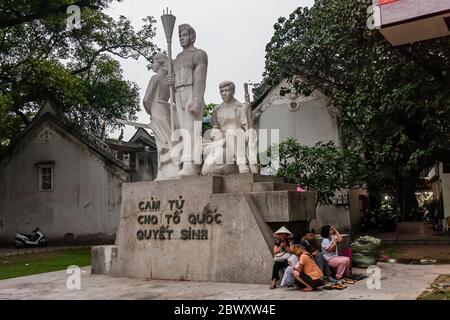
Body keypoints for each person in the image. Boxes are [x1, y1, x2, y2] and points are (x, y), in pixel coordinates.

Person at [165, 24, 208, 178]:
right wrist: (171, 80)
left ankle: (192, 165)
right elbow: (173, 80)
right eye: (180, 36)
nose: (182, 38)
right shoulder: (177, 59)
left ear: (192, 37)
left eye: (184, 35)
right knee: (184, 131)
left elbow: (200, 79)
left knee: (191, 130)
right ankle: (187, 164)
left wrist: (197, 99)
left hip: (192, 91)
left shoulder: (199, 54)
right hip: (179, 93)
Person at [143, 52, 180, 180]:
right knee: (169, 138)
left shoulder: (156, 78)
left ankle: (168, 171)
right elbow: (175, 98)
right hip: (167, 109)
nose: (152, 65)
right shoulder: (169, 79)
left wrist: (150, 112)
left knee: (164, 140)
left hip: (157, 109)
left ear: (159, 62)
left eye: (153, 62)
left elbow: (146, 99)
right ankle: (170, 170)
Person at [202, 81, 250, 175]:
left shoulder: (241, 107)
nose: (223, 93)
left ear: (233, 91)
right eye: (221, 91)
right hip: (222, 142)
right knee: (207, 170)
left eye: (226, 91)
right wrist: (215, 132)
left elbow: (246, 127)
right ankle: (230, 168)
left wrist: (248, 134)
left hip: (237, 141)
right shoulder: (217, 109)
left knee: (236, 133)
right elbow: (216, 127)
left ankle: (241, 163)